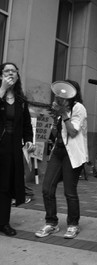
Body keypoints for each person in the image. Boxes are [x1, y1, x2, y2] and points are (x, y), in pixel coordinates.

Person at [35, 80, 88, 239]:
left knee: (69, 192)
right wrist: (50, 120)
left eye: (65, 95)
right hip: (58, 152)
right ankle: (51, 223)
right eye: (59, 94)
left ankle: (73, 225)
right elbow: (54, 135)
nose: (61, 97)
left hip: (73, 153)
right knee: (47, 188)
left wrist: (64, 114)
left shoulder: (78, 108)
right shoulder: (57, 109)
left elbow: (72, 132)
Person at [0, 62, 35, 236]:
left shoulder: (21, 101)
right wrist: (1, 89)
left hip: (13, 147)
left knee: (6, 185)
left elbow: (27, 125)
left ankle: (4, 222)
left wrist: (28, 140)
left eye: (14, 71)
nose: (11, 73)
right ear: (1, 75)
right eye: (7, 71)